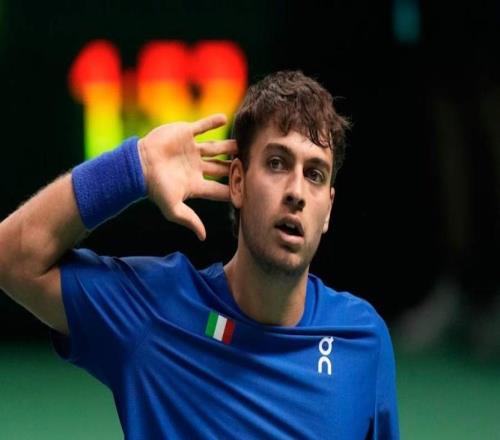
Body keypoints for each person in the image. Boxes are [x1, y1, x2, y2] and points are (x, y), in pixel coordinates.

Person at [0, 70, 399, 439]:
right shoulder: (156, 311)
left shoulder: (363, 340)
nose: (296, 192)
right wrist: (132, 167)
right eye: (277, 163)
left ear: (328, 209)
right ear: (238, 182)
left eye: (314, 174)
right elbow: (11, 259)